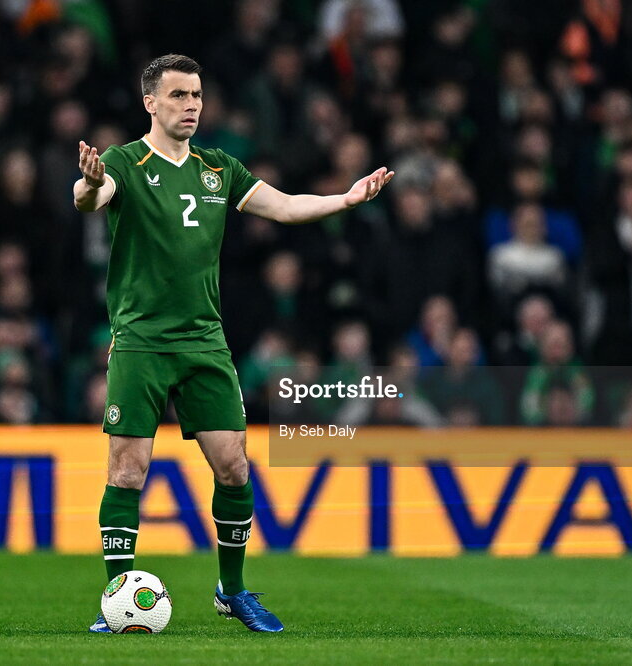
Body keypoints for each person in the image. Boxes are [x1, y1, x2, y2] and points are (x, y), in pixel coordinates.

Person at [73, 54, 393, 634]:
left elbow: (286, 206)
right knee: (127, 470)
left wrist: (345, 200)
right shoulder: (123, 161)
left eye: (196, 95)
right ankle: (116, 597)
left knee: (234, 466)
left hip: (205, 341)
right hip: (141, 340)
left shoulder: (218, 168)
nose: (191, 105)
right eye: (178, 95)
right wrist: (90, 182)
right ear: (150, 102)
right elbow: (90, 198)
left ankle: (233, 590)